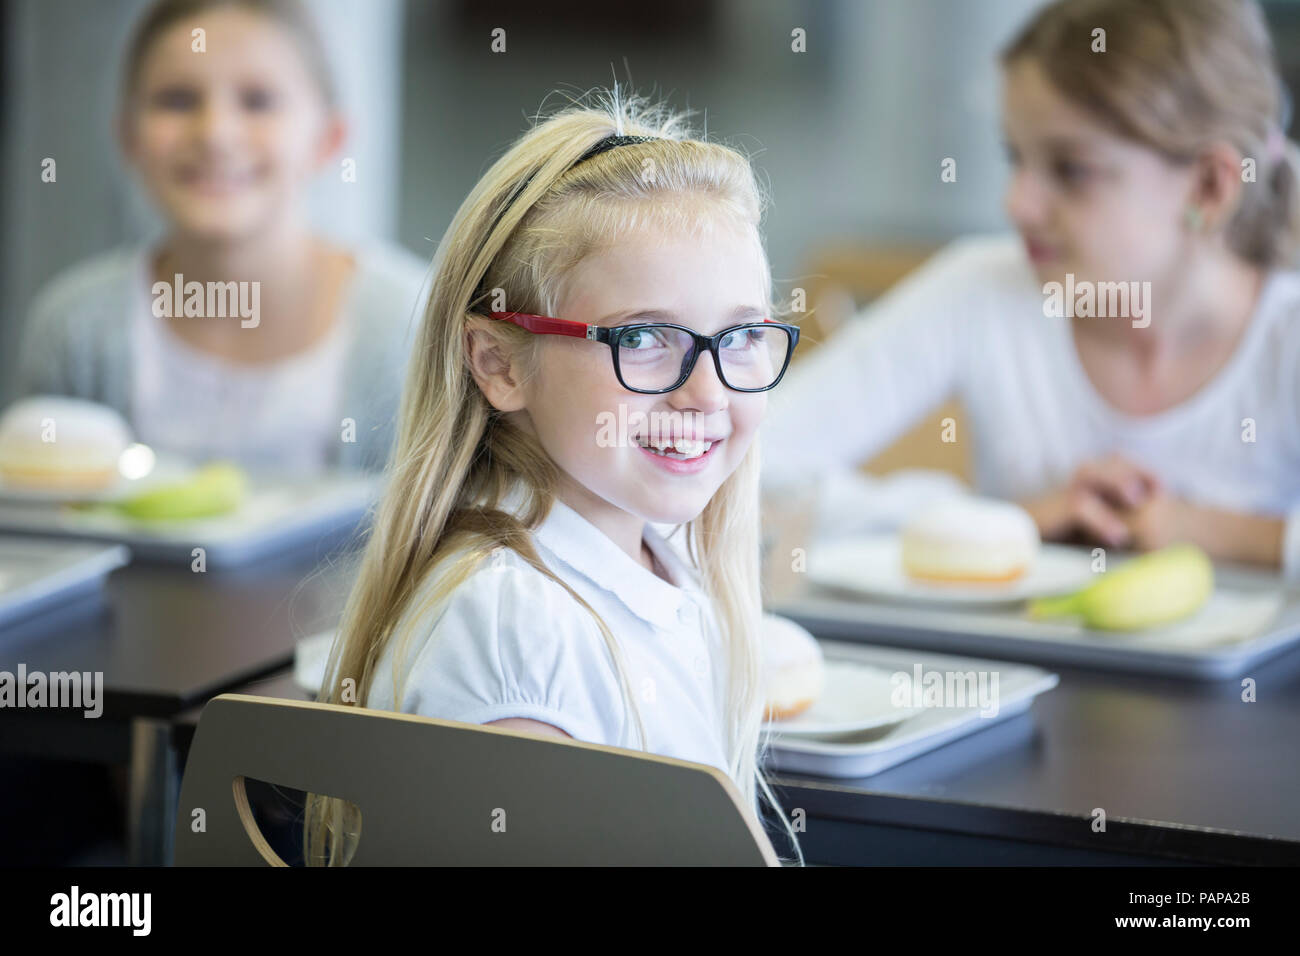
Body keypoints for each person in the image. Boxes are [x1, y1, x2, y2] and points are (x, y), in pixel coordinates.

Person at [304, 94, 804, 864]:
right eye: (642, 338)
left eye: (739, 336)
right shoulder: (515, 630)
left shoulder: (653, 559)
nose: (706, 391)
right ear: (500, 365)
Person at [763, 0, 1300, 579]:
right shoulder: (981, 291)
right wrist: (998, 521)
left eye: (1072, 169)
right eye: (1015, 157)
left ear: (1209, 187)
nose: (1015, 203)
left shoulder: (1285, 332)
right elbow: (752, 459)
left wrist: (1222, 532)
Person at [13, 0, 427, 473]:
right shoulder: (73, 331)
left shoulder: (410, 327)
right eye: (177, 100)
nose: (215, 133)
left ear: (328, 138)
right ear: (128, 136)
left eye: (258, 101)